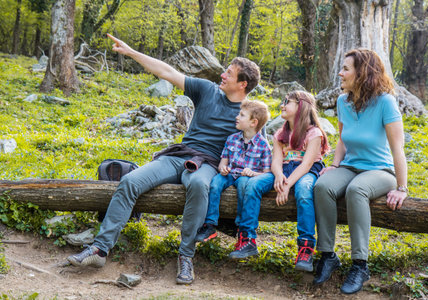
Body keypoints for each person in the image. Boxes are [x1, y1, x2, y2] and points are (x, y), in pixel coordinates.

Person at [67, 33, 261, 285]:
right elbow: (168, 72)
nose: (222, 75)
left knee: (199, 185)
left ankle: (186, 256)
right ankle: (99, 249)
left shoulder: (252, 112)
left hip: (209, 164)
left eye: (229, 73)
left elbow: (257, 150)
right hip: (179, 155)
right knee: (131, 181)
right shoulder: (207, 90)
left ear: (242, 84)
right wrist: (132, 52)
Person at [313, 48, 408, 294]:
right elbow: (343, 139)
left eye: (346, 68)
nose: (340, 73)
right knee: (322, 186)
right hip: (349, 166)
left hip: (380, 170)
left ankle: (359, 265)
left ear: (362, 73)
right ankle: (327, 255)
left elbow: (398, 148)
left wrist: (402, 187)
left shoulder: (385, 101)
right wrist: (334, 165)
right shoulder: (343, 101)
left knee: (357, 190)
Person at [226, 90, 329, 264]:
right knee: (253, 184)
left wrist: (287, 185)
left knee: (304, 191)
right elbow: (276, 162)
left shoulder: (314, 133)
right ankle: (247, 239)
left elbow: (306, 165)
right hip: (283, 170)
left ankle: (305, 248)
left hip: (305, 172)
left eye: (287, 101)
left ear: (301, 106)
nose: (282, 105)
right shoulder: (280, 134)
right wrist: (279, 175)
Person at [194, 100, 271, 245]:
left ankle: (240, 224)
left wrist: (253, 173)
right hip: (230, 174)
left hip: (245, 177)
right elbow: (223, 162)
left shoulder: (263, 145)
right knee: (215, 183)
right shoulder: (232, 139)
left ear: (253, 122)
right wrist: (223, 168)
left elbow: (267, 173)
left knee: (243, 186)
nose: (237, 117)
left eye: (242, 115)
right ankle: (210, 223)